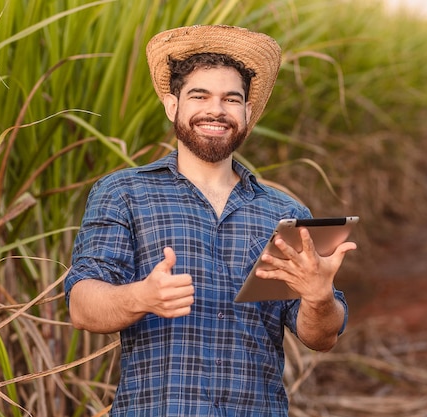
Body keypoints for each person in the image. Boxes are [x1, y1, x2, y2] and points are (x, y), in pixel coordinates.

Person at [64, 24, 356, 416]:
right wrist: (142, 297)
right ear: (173, 105)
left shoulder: (285, 213)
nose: (216, 110)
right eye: (199, 96)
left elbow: (320, 338)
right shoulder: (123, 194)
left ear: (247, 112)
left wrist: (320, 297)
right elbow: (82, 307)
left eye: (230, 99)